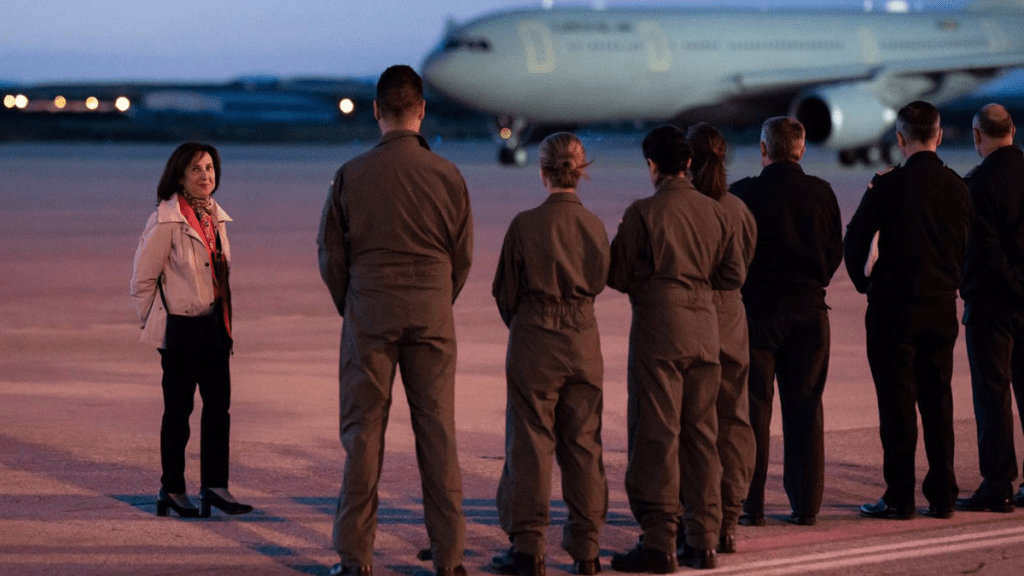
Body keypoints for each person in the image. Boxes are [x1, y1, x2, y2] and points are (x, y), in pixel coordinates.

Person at [317, 65, 473, 576]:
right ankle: (449, 559)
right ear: (421, 110)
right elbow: (462, 255)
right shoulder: (449, 175)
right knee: (438, 434)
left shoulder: (351, 173)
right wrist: (435, 297)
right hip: (431, 311)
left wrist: (355, 301)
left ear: (377, 111)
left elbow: (330, 254)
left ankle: (355, 557)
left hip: (371, 311)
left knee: (364, 434)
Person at [608, 125, 745, 572]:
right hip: (706, 332)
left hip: (660, 332)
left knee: (656, 435)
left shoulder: (643, 212)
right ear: (687, 165)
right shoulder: (718, 212)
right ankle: (703, 539)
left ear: (652, 166)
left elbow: (617, 273)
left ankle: (659, 539)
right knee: (702, 436)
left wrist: (653, 286)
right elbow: (732, 275)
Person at [845, 101, 972, 520]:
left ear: (899, 139)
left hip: (893, 309)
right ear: (938, 136)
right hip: (940, 306)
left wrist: (866, 284)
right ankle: (943, 495)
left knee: (896, 404)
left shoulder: (887, 186)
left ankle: (899, 496)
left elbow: (856, 241)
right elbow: (972, 247)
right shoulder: (958, 186)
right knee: (938, 401)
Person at [490, 132, 610, 576]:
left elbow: (505, 291)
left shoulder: (525, 225)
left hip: (535, 337)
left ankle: (528, 547)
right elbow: (600, 279)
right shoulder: (595, 225)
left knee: (529, 442)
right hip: (582, 337)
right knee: (583, 443)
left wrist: (527, 325)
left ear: (543, 172)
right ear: (581, 172)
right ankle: (588, 550)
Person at [130, 142, 253, 519]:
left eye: (210, 169)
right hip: (180, 330)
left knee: (219, 410)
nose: (205, 176)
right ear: (179, 175)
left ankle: (215, 487)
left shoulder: (215, 217)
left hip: (215, 327)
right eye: (196, 169)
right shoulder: (166, 220)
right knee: (178, 413)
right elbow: (142, 281)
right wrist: (158, 324)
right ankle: (172, 489)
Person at [730, 117, 843, 527]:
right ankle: (806, 506)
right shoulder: (822, 193)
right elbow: (834, 253)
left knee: (754, 411)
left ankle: (751, 504)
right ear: (801, 148)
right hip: (809, 314)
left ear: (764, 149)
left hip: (757, 314)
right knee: (806, 409)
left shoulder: (743, 193)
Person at [683, 123, 757, 554]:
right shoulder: (738, 210)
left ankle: (690, 516)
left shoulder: (680, 208)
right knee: (732, 420)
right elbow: (743, 265)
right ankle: (728, 518)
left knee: (687, 422)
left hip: (692, 313)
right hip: (730, 317)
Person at [957, 103, 1024, 513]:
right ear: (1013, 131)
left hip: (992, 305)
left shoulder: (977, 184)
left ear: (978, 136)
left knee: (993, 394)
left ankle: (998, 482)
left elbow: (982, 251)